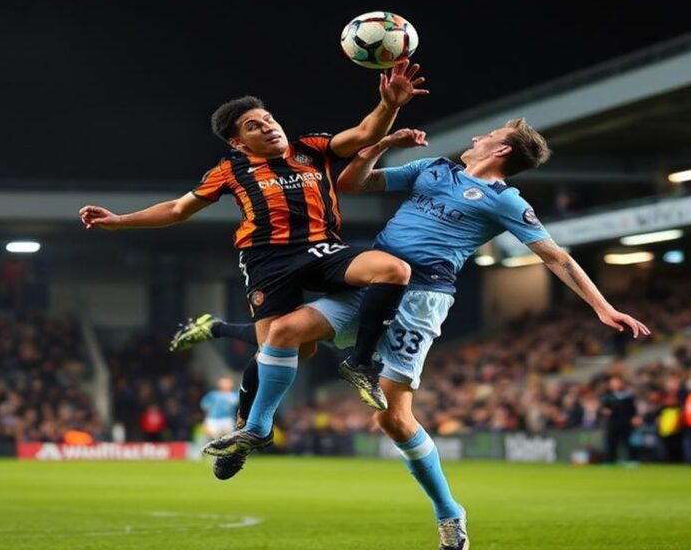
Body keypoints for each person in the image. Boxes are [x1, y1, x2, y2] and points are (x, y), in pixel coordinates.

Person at [177, 121, 651, 550]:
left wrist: (603, 306)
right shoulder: (434, 168)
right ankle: (256, 426)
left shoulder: (506, 200)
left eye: (485, 136)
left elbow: (557, 258)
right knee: (283, 331)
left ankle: (450, 513)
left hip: (421, 302)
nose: (474, 138)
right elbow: (351, 183)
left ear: (502, 148)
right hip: (371, 280)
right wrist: (376, 147)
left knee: (393, 421)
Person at [79, 59, 429, 455]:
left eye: (269, 119)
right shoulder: (229, 169)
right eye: (254, 126)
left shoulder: (311, 149)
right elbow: (178, 210)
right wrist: (120, 221)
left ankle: (360, 363)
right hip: (269, 262)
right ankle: (247, 421)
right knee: (290, 349)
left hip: (322, 248)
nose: (268, 127)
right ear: (238, 143)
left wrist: (390, 105)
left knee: (393, 268)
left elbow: (366, 133)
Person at [599, 375, 641, 464]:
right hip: (613, 422)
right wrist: (604, 411)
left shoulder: (628, 396)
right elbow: (602, 409)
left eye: (616, 382)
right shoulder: (607, 396)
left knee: (628, 442)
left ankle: (633, 460)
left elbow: (633, 408)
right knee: (611, 442)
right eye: (613, 382)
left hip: (626, 422)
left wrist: (635, 417)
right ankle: (610, 461)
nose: (615, 384)